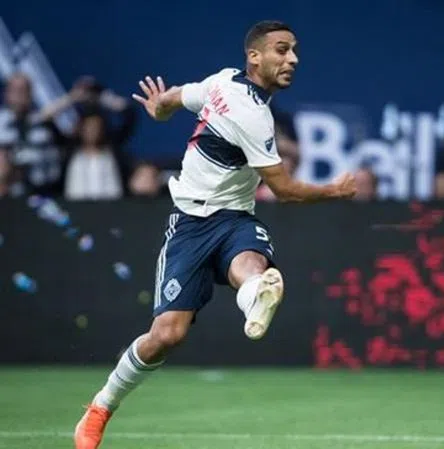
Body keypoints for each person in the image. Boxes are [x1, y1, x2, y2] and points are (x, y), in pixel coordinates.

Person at [73, 20, 356, 449]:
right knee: (166, 336)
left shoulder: (222, 81)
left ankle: (257, 294)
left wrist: (161, 107)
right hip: (189, 225)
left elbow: (178, 97)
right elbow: (284, 190)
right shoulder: (253, 115)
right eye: (282, 50)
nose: (293, 59)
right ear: (254, 57)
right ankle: (100, 407)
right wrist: (334, 191)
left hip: (235, 219)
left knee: (251, 264)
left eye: (295, 50)